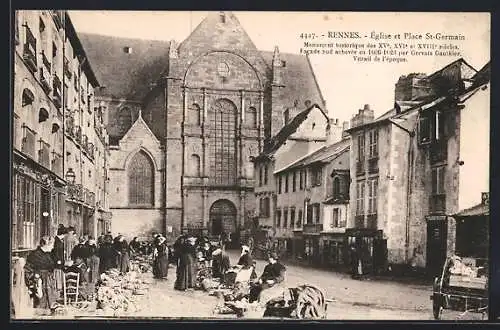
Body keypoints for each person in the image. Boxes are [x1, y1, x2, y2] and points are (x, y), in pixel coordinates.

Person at [24, 236, 59, 314]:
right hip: (39, 281)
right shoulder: (35, 254)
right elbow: (28, 269)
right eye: (52, 245)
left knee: (49, 301)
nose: (53, 247)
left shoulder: (47, 254)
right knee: (41, 302)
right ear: (46, 244)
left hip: (48, 280)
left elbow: (51, 265)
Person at [52, 225, 66, 292]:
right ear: (62, 234)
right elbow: (56, 252)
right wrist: (58, 260)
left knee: (59, 273)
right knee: (58, 274)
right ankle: (58, 288)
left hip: (60, 261)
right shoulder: (57, 241)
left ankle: (59, 287)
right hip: (58, 262)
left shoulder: (59, 240)